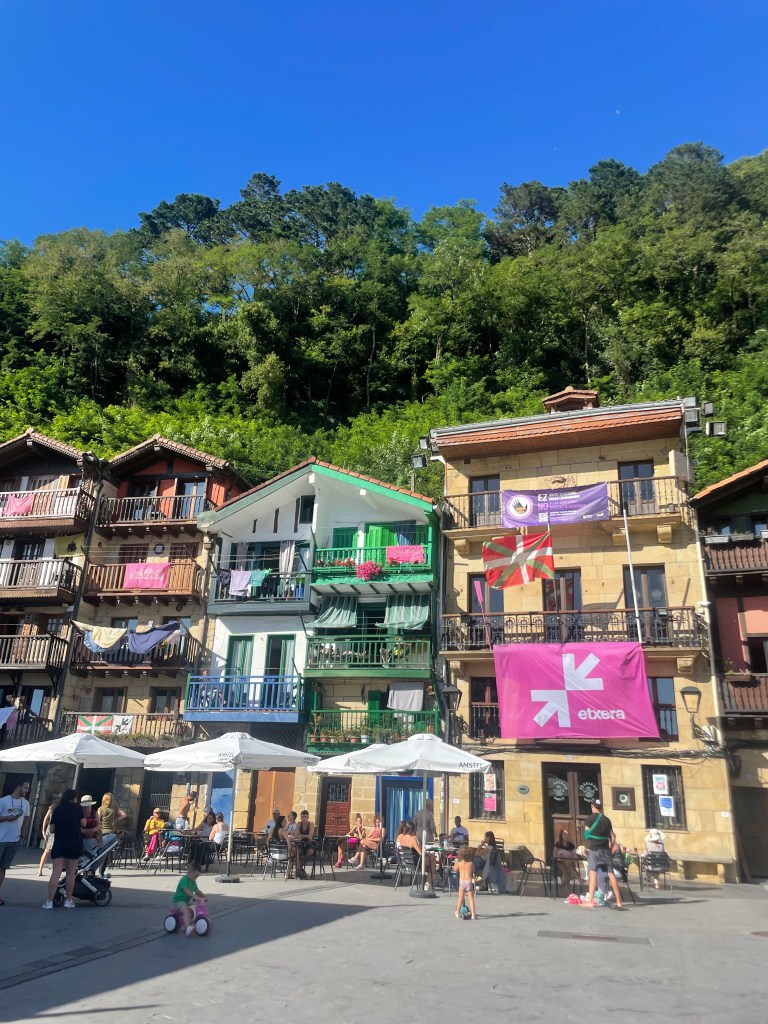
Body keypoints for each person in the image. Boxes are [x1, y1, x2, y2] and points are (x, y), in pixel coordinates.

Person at [42, 789, 85, 910]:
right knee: (71, 873)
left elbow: (52, 830)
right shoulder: (77, 808)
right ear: (74, 798)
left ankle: (49, 901)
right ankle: (68, 900)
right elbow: (84, 823)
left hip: (60, 842)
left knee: (56, 872)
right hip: (74, 842)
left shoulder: (58, 808)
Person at [582, 799, 623, 910]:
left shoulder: (589, 819)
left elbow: (586, 836)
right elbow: (612, 837)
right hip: (606, 850)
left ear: (592, 806)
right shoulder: (607, 820)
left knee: (592, 874)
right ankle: (619, 901)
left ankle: (590, 901)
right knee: (611, 874)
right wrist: (610, 848)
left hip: (595, 850)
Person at [0, 779, 30, 904]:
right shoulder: (3, 801)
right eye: (25, 787)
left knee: (3, 867)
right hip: (1, 839)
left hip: (15, 840)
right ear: (18, 787)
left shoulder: (25, 803)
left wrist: (22, 833)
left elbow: (27, 818)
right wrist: (7, 818)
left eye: (28, 788)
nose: (27, 790)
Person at [396, 820, 437, 889]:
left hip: (404, 862)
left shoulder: (399, 837)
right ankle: (428, 882)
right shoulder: (412, 839)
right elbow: (420, 853)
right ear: (413, 830)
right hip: (415, 863)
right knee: (432, 859)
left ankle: (428, 878)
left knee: (429, 859)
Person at [173, 860, 206, 936]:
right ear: (190, 872)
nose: (196, 878)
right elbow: (185, 889)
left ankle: (189, 922)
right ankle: (187, 927)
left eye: (197, 877)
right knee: (186, 910)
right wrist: (193, 895)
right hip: (179, 900)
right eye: (196, 876)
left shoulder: (193, 882)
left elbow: (197, 891)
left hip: (187, 901)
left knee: (194, 909)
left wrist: (203, 896)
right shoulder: (184, 879)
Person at [288, 810, 315, 880]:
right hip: (300, 843)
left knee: (310, 852)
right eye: (302, 817)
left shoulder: (311, 824)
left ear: (308, 817)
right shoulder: (299, 824)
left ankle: (299, 869)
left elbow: (310, 837)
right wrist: (303, 836)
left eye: (305, 817)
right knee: (295, 850)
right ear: (300, 817)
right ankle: (299, 870)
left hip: (309, 844)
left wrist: (302, 836)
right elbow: (296, 835)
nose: (304, 818)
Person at [38, 796, 61, 876]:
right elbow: (45, 819)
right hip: (54, 830)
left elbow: (45, 819)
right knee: (49, 851)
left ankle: (40, 870)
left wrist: (43, 830)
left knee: (49, 851)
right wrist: (43, 830)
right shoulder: (54, 807)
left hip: (53, 829)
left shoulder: (54, 807)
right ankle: (40, 870)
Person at [454, 844, 477, 920]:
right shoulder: (471, 863)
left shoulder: (459, 863)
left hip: (462, 882)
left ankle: (457, 912)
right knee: (471, 899)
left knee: (460, 898)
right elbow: (473, 870)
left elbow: (455, 870)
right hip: (469, 882)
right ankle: (473, 914)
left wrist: (456, 862)